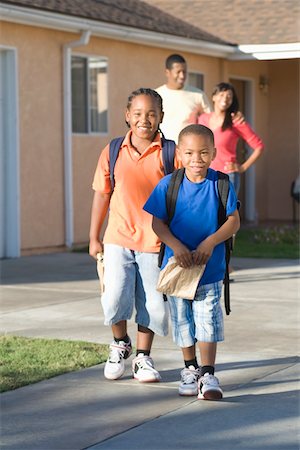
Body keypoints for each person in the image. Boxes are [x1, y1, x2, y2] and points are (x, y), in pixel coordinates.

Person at [89, 88, 180, 383]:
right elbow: (102, 195)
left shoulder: (171, 153)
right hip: (117, 238)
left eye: (152, 114)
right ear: (128, 116)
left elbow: (185, 193)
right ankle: (120, 344)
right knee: (114, 299)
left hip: (155, 243)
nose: (145, 119)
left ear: (161, 117)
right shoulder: (113, 150)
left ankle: (143, 357)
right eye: (138, 114)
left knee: (152, 305)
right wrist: (94, 236)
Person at [144, 124, 240, 399]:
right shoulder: (169, 185)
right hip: (178, 270)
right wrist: (176, 246)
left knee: (207, 319)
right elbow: (157, 223)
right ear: (180, 154)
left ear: (213, 153)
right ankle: (190, 369)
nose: (197, 159)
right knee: (183, 322)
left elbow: (234, 221)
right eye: (189, 153)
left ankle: (208, 374)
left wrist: (210, 242)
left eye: (203, 153)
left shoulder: (220, 184)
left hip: (209, 270)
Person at [198, 82, 264, 195]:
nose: (225, 98)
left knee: (226, 212)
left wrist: (242, 167)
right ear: (213, 97)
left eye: (229, 96)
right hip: (204, 174)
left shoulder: (236, 121)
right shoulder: (203, 119)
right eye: (222, 94)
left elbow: (259, 147)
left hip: (227, 175)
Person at [155, 53, 211, 142]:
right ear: (167, 72)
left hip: (188, 150)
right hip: (163, 148)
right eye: (178, 72)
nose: (182, 76)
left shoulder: (198, 95)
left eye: (184, 72)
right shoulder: (156, 95)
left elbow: (212, 123)